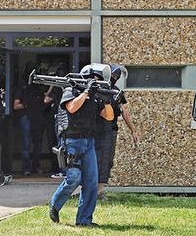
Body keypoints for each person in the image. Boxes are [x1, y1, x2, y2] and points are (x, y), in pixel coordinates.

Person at [48, 67, 114, 226]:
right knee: (74, 178)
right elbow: (71, 108)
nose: (97, 81)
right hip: (71, 142)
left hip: (89, 142)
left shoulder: (96, 95)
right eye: (94, 78)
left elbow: (109, 117)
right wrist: (86, 93)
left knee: (91, 182)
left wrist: (106, 101)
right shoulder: (72, 89)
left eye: (98, 78)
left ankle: (84, 220)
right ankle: (55, 204)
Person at [95, 64, 139, 200]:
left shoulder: (116, 91)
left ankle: (100, 191)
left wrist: (133, 130)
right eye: (113, 75)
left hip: (110, 130)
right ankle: (90, 189)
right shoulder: (96, 88)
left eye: (117, 77)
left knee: (107, 160)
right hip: (95, 130)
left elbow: (124, 111)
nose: (114, 78)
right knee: (94, 159)